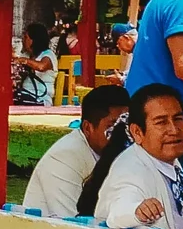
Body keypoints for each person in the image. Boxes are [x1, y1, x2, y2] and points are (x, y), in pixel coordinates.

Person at [81, 84, 183, 229]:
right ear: (137, 132)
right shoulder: (131, 169)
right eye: (161, 122)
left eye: (178, 119)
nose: (174, 129)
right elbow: (117, 211)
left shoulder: (172, 164)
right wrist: (138, 211)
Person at [22, 84, 132, 220]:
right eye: (112, 127)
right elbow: (72, 222)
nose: (122, 134)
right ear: (87, 128)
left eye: (126, 126)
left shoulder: (128, 154)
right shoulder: (63, 158)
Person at [14, 22, 57, 106]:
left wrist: (24, 60)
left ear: (34, 40)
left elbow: (41, 67)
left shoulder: (48, 55)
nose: (23, 40)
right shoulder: (27, 55)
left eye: (26, 37)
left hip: (41, 98)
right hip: (26, 95)